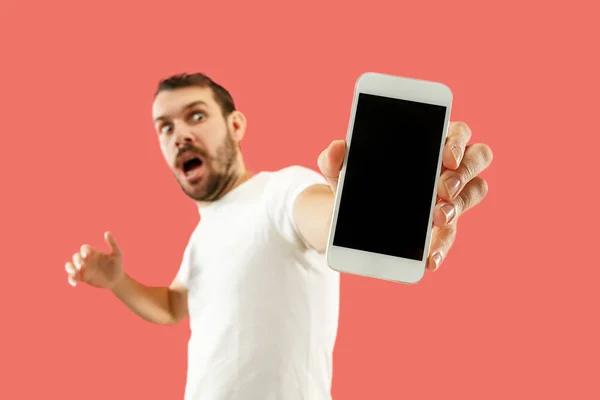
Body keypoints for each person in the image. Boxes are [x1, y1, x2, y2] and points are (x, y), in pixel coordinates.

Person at [64, 73, 493, 400]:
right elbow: (175, 304)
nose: (181, 135)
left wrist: (367, 205)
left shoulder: (280, 190)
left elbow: (318, 217)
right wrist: (118, 281)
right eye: (165, 127)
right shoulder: (202, 235)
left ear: (235, 125)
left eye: (196, 115)